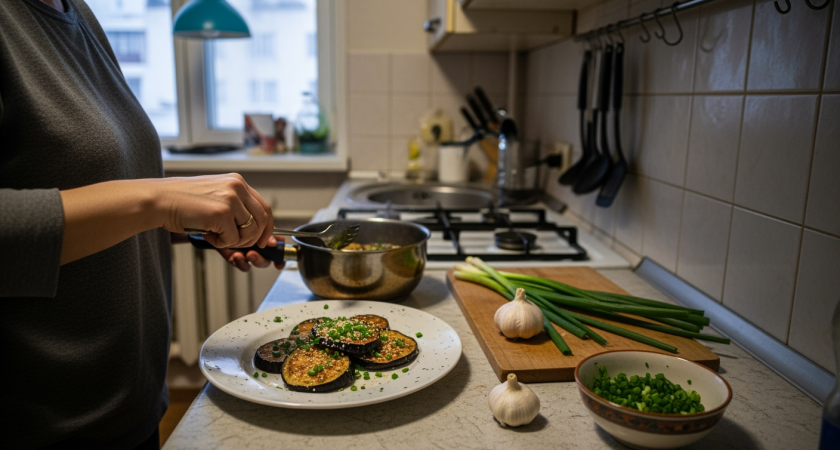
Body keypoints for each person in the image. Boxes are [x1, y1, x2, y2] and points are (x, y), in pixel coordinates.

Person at [0, 0, 281, 447]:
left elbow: (86, 184)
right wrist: (160, 201)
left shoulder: (77, 14)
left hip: (131, 405)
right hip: (48, 426)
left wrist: (192, 221)